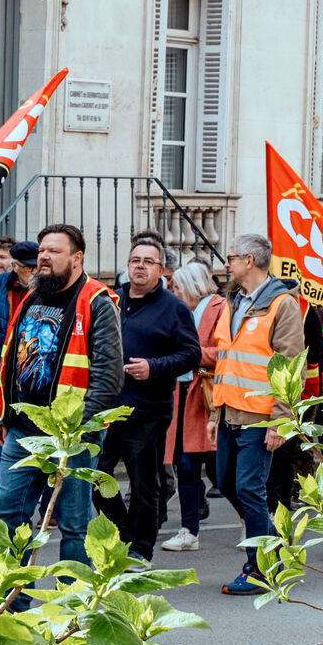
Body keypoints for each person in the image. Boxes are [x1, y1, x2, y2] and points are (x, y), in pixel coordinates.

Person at [0, 224, 122, 567]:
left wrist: (78, 430)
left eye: (54, 251)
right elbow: (10, 361)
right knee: (8, 516)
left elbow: (108, 378)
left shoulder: (97, 302)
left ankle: (72, 599)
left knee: (74, 525)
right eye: (41, 251)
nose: (44, 257)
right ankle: (15, 597)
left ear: (77, 258)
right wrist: (0, 415)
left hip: (71, 436)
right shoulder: (32, 297)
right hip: (23, 430)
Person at [92, 236, 200, 568]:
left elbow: (191, 354)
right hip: (106, 408)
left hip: (147, 410)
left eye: (148, 261)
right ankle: (126, 533)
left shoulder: (174, 308)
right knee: (95, 477)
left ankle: (141, 550)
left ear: (161, 270)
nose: (140, 266)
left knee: (143, 484)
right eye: (135, 260)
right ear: (128, 265)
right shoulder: (110, 300)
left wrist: (153, 367)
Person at [208, 233, 303, 595]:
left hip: (260, 416)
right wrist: (215, 413)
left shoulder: (282, 304)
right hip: (230, 412)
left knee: (249, 488)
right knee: (226, 482)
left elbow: (290, 367)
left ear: (249, 260)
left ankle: (260, 568)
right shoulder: (234, 301)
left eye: (231, 257)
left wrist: (280, 420)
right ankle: (272, 542)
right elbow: (225, 361)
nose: (226, 263)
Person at [160, 262, 223, 552]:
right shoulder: (179, 310)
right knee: (185, 465)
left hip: (208, 394)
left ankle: (253, 520)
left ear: (192, 287)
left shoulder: (220, 307)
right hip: (183, 392)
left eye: (177, 287)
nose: (174, 292)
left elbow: (226, 351)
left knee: (223, 472)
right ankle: (189, 530)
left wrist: (190, 355)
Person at [0, 240, 36, 515]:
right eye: (28, 268)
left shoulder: (46, 290)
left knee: (41, 447)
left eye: (36, 267)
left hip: (33, 381)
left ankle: (45, 510)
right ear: (16, 267)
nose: (34, 272)